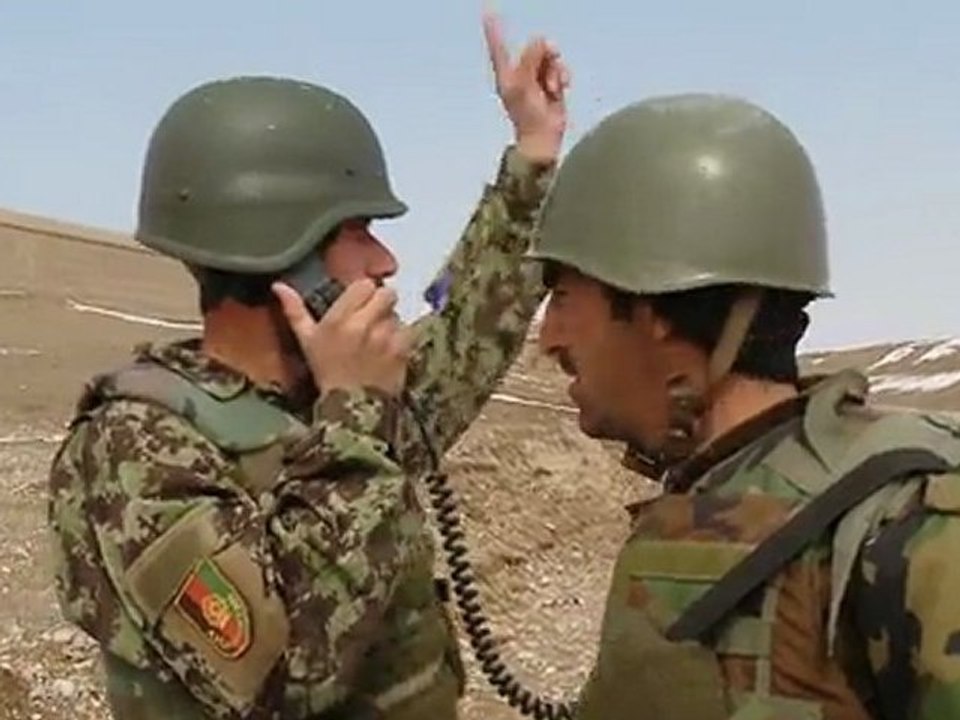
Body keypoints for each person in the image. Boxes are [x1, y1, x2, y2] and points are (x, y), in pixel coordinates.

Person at [48, 13, 569, 720]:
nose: (385, 262)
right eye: (359, 233)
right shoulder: (134, 449)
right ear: (278, 250)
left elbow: (468, 336)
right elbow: (288, 680)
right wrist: (354, 419)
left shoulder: (323, 400)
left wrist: (533, 153)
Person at [530, 93, 960, 719]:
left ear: (651, 307)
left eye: (564, 296)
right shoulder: (718, 489)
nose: (547, 338)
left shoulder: (907, 527)